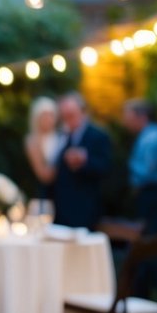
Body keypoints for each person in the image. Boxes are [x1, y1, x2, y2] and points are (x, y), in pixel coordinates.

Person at [52, 92, 112, 229]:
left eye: (71, 115)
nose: (68, 120)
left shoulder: (98, 136)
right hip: (61, 208)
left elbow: (106, 168)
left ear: (83, 112)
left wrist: (84, 161)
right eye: (64, 117)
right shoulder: (61, 135)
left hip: (85, 208)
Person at [122, 99, 157, 234]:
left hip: (153, 193)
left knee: (149, 236)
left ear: (142, 117)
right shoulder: (146, 136)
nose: (126, 122)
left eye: (129, 118)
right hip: (149, 192)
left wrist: (128, 167)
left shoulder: (153, 138)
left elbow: (147, 171)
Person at [23, 96, 60, 196]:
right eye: (44, 116)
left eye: (51, 115)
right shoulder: (33, 141)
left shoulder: (62, 136)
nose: (48, 119)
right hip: (44, 193)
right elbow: (43, 175)